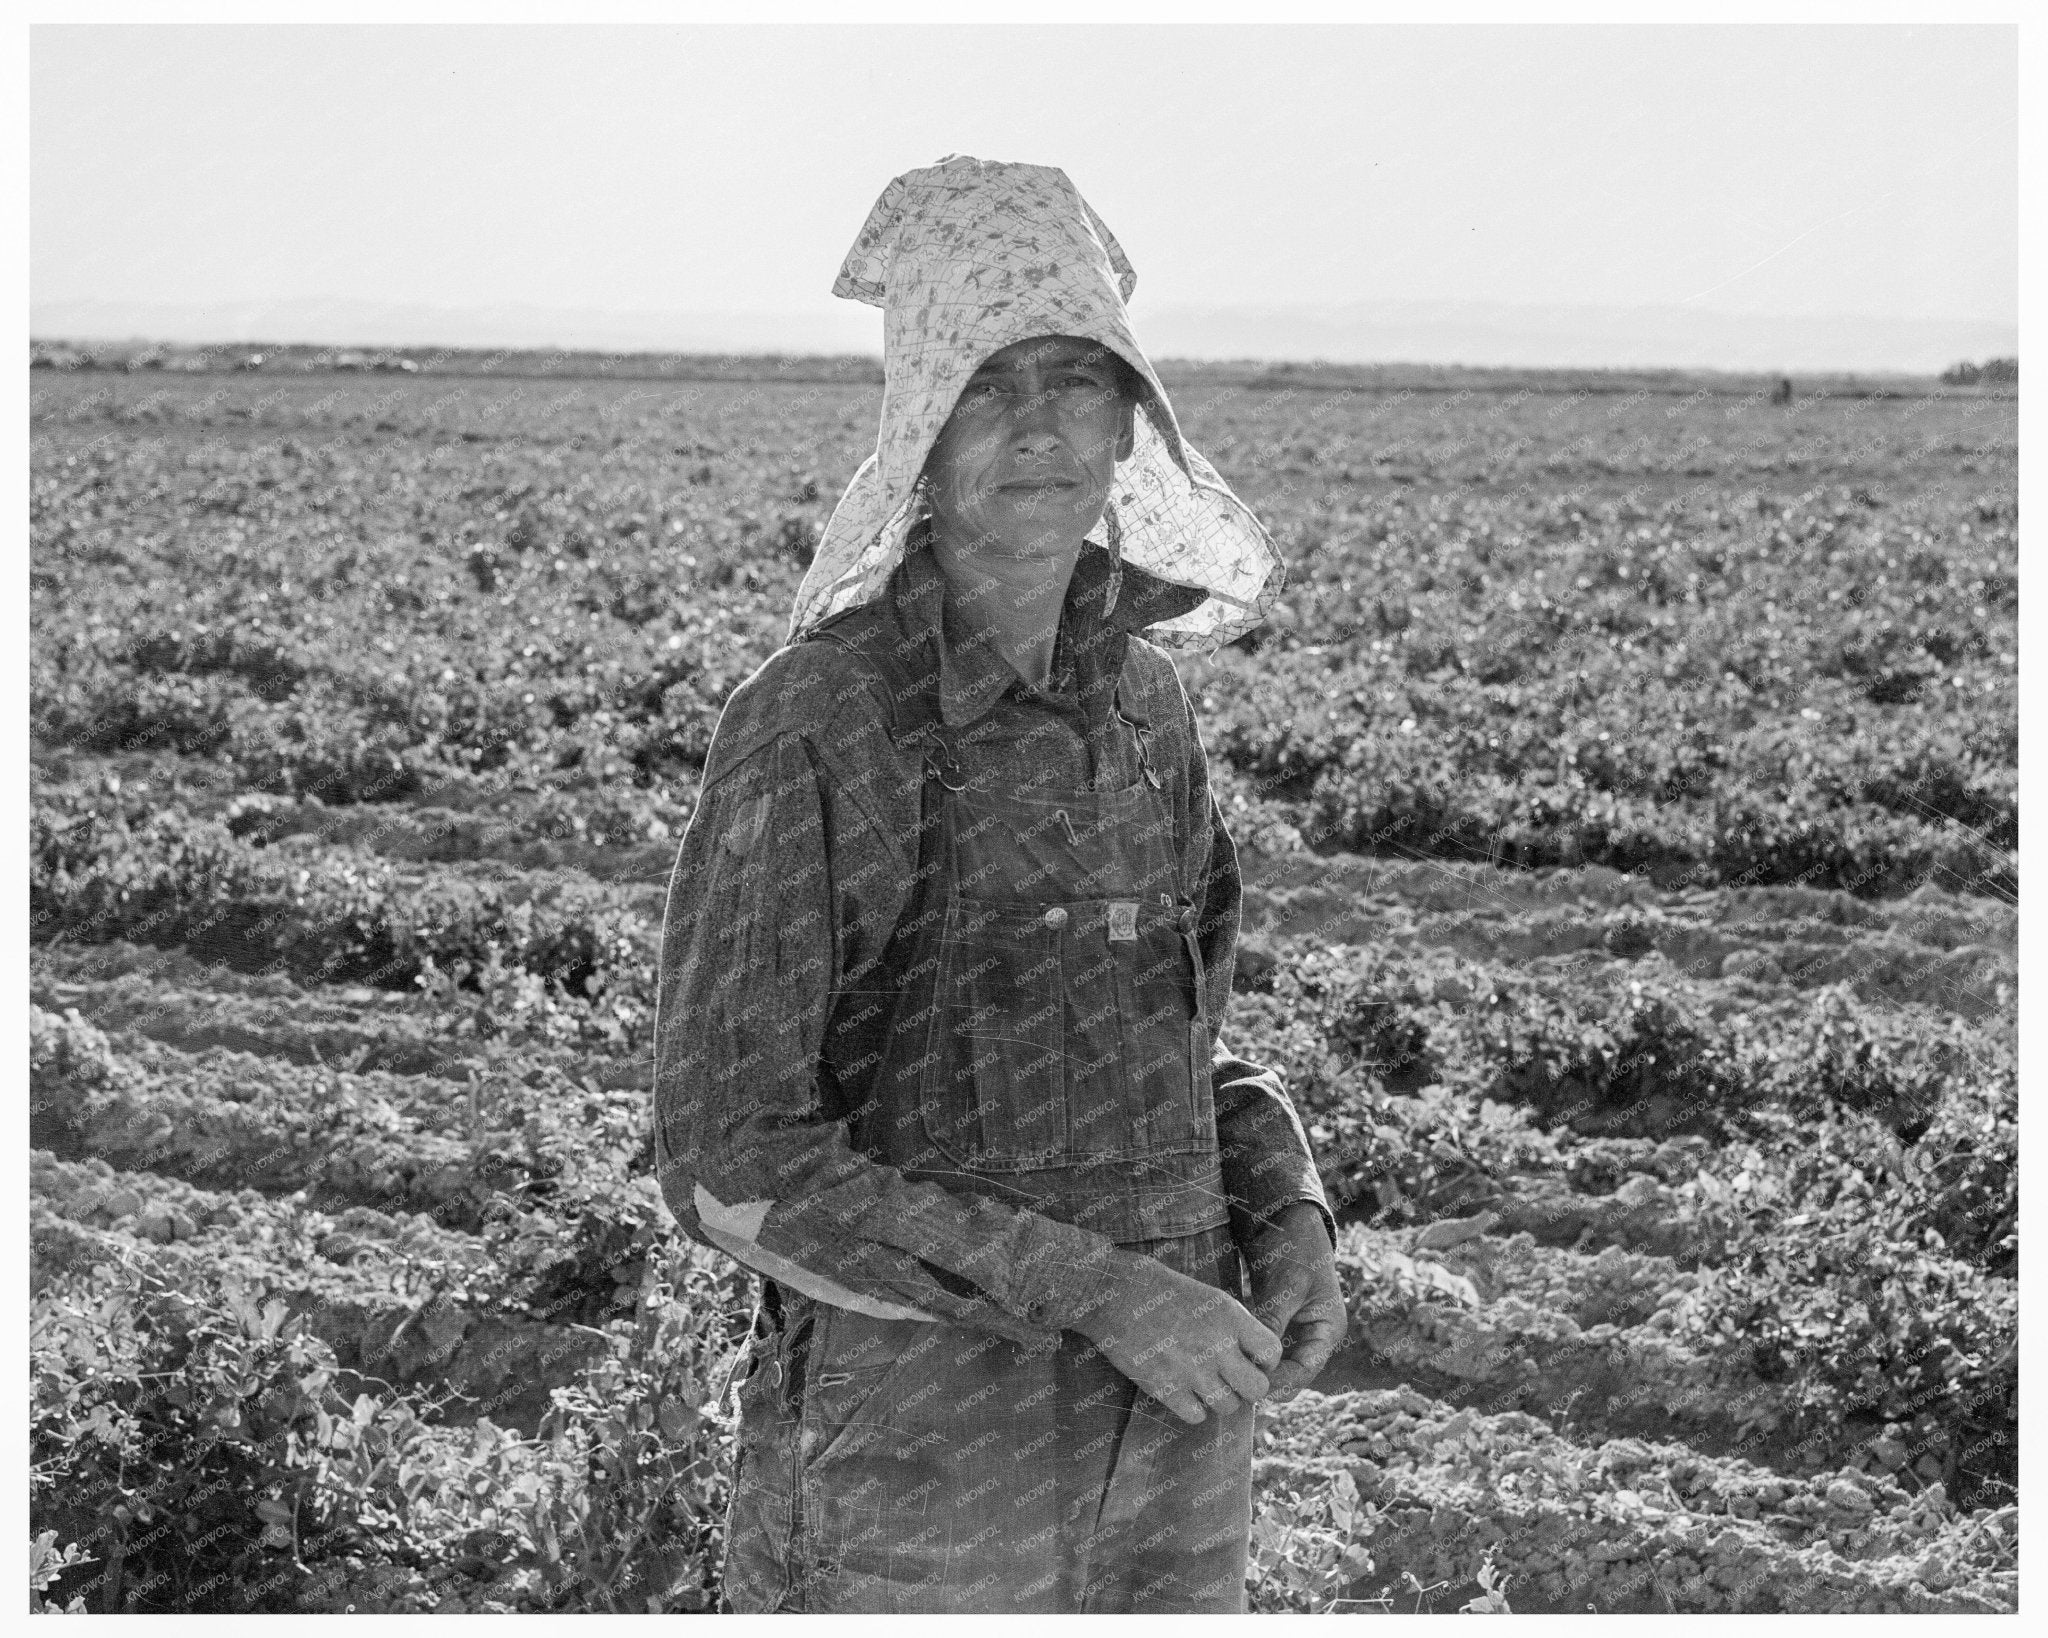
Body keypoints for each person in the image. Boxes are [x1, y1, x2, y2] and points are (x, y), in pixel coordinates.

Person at [651, 155, 1343, 1614]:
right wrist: (1100, 1290)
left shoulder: (1146, 710)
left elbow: (1181, 1057)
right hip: (922, 1473)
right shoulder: (823, 721)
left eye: (1075, 382)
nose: (1039, 427)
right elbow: (732, 1156)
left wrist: (1285, 1210)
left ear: (1128, 421)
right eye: (991, 384)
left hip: (1175, 1448)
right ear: (922, 424)